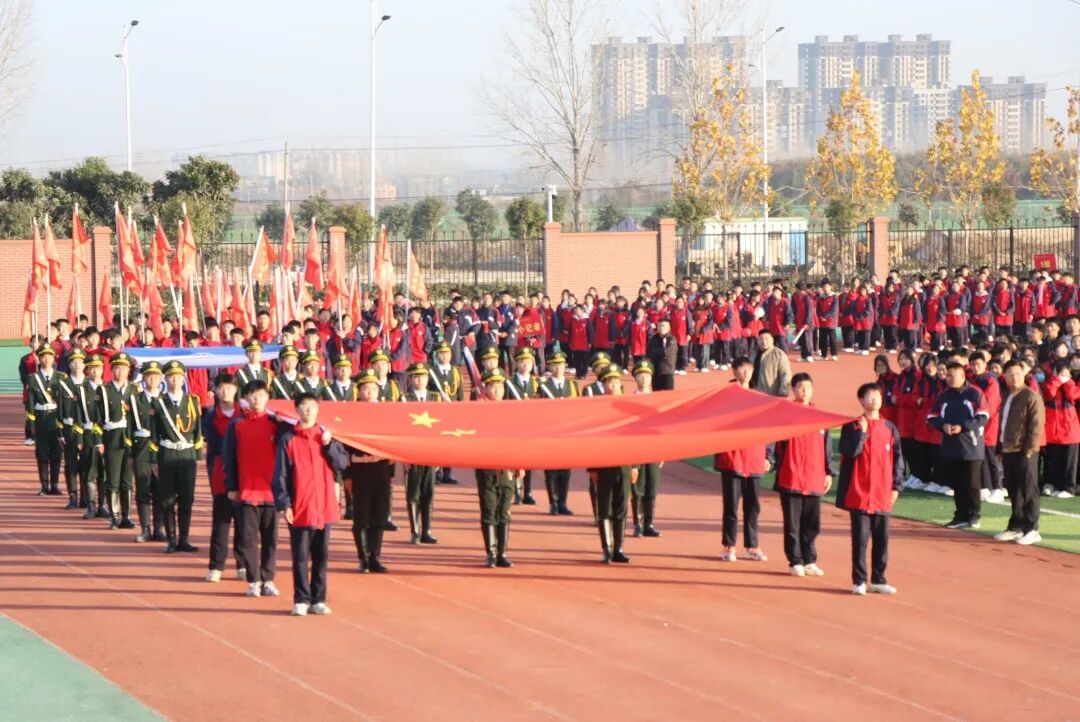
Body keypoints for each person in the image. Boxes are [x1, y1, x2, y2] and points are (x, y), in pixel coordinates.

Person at [272, 392, 348, 616]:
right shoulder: (288, 439)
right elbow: (280, 474)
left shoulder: (326, 436)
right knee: (300, 556)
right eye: (304, 406)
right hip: (300, 505)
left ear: (318, 410)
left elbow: (342, 463)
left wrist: (329, 445)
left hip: (323, 504)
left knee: (321, 555)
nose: (308, 410)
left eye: (312, 406)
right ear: (297, 410)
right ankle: (301, 598)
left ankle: (319, 599)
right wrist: (285, 503)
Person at [836, 382, 904, 595]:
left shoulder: (890, 428)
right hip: (859, 492)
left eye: (877, 395)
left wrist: (896, 486)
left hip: (882, 492)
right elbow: (850, 451)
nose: (874, 399)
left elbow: (898, 460)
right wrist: (862, 434)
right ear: (861, 400)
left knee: (882, 540)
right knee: (860, 539)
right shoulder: (852, 427)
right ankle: (859, 580)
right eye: (870, 396)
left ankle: (878, 579)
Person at [771, 373, 836, 577]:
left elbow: (827, 448)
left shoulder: (819, 416)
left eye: (808, 387)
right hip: (791, 476)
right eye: (800, 387)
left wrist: (828, 472)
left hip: (814, 477)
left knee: (812, 524)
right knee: (793, 523)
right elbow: (775, 442)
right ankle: (795, 560)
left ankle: (810, 560)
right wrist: (772, 460)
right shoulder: (786, 414)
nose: (805, 390)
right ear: (793, 389)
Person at [223, 379, 283, 598]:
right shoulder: (237, 424)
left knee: (270, 540)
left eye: (261, 395)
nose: (257, 399)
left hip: (270, 491)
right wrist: (232, 485)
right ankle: (254, 580)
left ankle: (268, 579)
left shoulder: (276, 424)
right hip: (247, 491)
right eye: (253, 395)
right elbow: (229, 456)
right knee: (248, 539)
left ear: (267, 398)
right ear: (246, 398)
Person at [714, 357, 770, 562]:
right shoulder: (725, 397)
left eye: (748, 369)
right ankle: (729, 545)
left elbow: (769, 428)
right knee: (731, 506)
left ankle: (752, 546)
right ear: (734, 371)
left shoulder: (759, 397)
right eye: (741, 369)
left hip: (754, 458)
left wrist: (768, 455)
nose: (745, 372)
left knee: (753, 506)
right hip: (732, 458)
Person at [151, 360, 204, 554]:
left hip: (187, 455)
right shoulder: (158, 403)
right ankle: (171, 539)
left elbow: (198, 432)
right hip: (167, 454)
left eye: (178, 376)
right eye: (171, 377)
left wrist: (197, 456)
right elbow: (154, 434)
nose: (175, 380)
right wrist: (153, 460)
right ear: (166, 379)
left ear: (183, 379)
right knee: (167, 500)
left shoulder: (193, 401)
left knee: (186, 499)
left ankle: (184, 539)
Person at [929, 361, 989, 529]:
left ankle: (974, 515)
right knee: (957, 483)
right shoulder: (944, 395)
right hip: (951, 446)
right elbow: (932, 416)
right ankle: (960, 515)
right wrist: (943, 426)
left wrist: (963, 427)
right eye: (947, 375)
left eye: (952, 375)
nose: (948, 378)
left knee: (972, 484)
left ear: (962, 375)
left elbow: (983, 416)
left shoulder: (975, 393)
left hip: (971, 447)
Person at [588, 364, 638, 563]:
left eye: (616, 382)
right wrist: (592, 468)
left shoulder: (628, 408)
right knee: (605, 506)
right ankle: (607, 548)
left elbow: (637, 439)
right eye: (609, 382)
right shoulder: (597, 408)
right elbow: (592, 440)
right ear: (603, 385)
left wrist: (635, 466)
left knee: (621, 506)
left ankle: (619, 548)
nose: (614, 385)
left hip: (624, 463)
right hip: (604, 463)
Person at [347, 369, 396, 573]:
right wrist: (347, 476)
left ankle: (375, 556)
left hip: (380, 469)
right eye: (366, 388)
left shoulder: (385, 413)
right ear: (359, 391)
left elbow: (392, 442)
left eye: (373, 389)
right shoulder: (350, 414)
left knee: (379, 516)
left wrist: (390, 473)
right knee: (361, 517)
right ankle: (363, 557)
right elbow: (345, 447)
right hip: (359, 470)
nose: (369, 393)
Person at [994, 360, 1046, 545]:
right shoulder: (1007, 396)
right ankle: (1016, 526)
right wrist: (999, 446)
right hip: (1008, 449)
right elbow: (1003, 423)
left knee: (1029, 490)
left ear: (1023, 374)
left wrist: (1030, 449)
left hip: (1024, 451)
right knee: (1014, 490)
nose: (1014, 377)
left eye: (1017, 373)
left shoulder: (1030, 396)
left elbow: (1036, 424)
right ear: (1005, 376)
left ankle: (1032, 528)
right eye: (1010, 374)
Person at [202, 373, 244, 582]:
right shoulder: (210, 416)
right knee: (221, 520)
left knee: (244, 521)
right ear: (216, 391)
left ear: (235, 390)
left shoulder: (244, 413)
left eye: (229, 387)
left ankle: (243, 564)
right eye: (221, 388)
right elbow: (215, 445)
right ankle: (216, 565)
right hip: (221, 472)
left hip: (244, 471)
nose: (225, 391)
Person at [475, 368, 519, 568]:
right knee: (489, 509)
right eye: (493, 386)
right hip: (487, 469)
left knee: (505, 511)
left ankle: (502, 552)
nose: (497, 390)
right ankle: (491, 553)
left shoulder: (511, 411)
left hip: (507, 468)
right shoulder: (479, 412)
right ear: (485, 389)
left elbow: (519, 440)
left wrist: (520, 465)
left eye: (500, 386)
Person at [401, 362, 440, 544]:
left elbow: (441, 428)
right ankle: (415, 530)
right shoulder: (404, 399)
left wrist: (439, 455)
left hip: (430, 453)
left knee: (428, 492)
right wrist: (402, 456)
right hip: (411, 454)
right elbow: (400, 429)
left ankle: (427, 530)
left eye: (422, 376)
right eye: (416, 377)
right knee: (413, 493)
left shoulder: (435, 398)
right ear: (410, 379)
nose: (419, 380)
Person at [97, 352, 136, 529]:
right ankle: (114, 515)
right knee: (112, 478)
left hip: (130, 441)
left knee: (127, 480)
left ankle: (126, 516)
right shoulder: (104, 390)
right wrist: (98, 441)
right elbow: (97, 418)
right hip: (111, 439)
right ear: (111, 370)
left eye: (124, 368)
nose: (120, 372)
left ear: (129, 370)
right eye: (117, 368)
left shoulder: (135, 390)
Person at [539, 351, 578, 515]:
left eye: (560, 365)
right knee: (551, 471)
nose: (558, 368)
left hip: (567, 434)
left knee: (565, 470)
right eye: (554, 365)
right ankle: (553, 502)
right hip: (550, 433)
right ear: (549, 367)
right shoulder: (543, 387)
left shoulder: (572, 385)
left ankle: (563, 502)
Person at [130, 361, 164, 542]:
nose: (152, 379)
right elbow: (129, 428)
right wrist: (130, 454)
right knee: (143, 489)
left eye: (156, 376)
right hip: (141, 449)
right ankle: (145, 528)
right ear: (143, 378)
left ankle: (159, 528)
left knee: (160, 491)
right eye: (149, 376)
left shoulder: (165, 400)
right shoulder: (135, 400)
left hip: (161, 451)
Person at [629, 359, 663, 537]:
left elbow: (663, 428)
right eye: (640, 375)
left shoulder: (658, 401)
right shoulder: (628, 400)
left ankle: (649, 523)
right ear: (635, 378)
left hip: (654, 449)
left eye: (647, 376)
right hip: (636, 449)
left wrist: (663, 452)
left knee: (652, 485)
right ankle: (638, 523)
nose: (644, 379)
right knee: (637, 487)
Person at [25, 345, 63, 497]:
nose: (46, 359)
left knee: (56, 452)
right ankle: (44, 485)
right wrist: (31, 425)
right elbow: (30, 404)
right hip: (40, 417)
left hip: (56, 418)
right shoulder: (33, 378)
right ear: (39, 359)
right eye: (43, 356)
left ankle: (55, 485)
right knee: (41, 453)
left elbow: (63, 402)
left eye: (49, 356)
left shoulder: (61, 377)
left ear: (54, 358)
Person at [505, 348, 540, 505]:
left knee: (529, 460)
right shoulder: (509, 383)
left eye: (528, 362)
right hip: (514, 428)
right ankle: (515, 490)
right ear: (517, 363)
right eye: (522, 362)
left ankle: (528, 491)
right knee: (514, 461)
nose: (525, 365)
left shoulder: (537, 383)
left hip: (531, 428)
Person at [428, 341, 463, 485]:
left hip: (451, 413)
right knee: (437, 443)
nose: (445, 356)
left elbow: (459, 394)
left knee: (450, 443)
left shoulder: (455, 371)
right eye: (441, 353)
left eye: (447, 353)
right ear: (437, 355)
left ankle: (447, 473)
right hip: (436, 413)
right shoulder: (431, 372)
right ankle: (436, 473)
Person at [751, 330, 792, 398]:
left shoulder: (779, 355)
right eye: (761, 339)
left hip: (771, 395)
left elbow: (786, 375)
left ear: (772, 340)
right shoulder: (753, 354)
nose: (764, 342)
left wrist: (784, 393)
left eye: (766, 339)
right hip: (754, 393)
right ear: (757, 341)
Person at [647, 317, 677, 391]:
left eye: (663, 326)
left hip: (667, 370)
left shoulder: (671, 339)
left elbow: (667, 352)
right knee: (656, 393)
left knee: (668, 394)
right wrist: (657, 352)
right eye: (659, 326)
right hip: (655, 370)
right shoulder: (654, 338)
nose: (661, 328)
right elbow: (649, 352)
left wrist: (655, 352)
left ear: (669, 327)